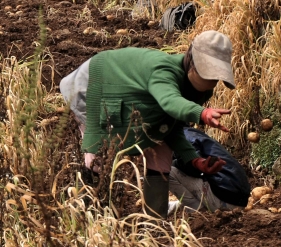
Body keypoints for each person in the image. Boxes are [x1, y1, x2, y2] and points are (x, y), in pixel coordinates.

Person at [59, 30, 235, 218]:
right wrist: (202, 113)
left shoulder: (198, 90)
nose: (211, 81)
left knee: (161, 150)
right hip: (93, 84)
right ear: (190, 60)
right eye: (207, 74)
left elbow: (170, 126)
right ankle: (87, 215)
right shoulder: (164, 72)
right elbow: (170, 101)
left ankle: (155, 220)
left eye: (215, 77)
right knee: (98, 156)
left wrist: (193, 159)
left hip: (126, 96)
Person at [168, 127, 251, 214]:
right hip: (239, 199)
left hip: (225, 200)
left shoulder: (181, 139)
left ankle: (197, 212)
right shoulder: (189, 132)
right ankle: (178, 206)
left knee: (165, 171)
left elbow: (194, 168)